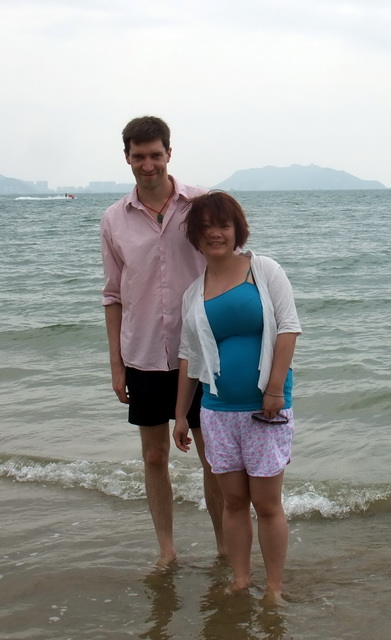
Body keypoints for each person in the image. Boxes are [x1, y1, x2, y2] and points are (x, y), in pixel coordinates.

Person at [101, 116, 224, 567]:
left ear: (169, 154)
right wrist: (116, 364)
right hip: (145, 354)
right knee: (154, 457)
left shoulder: (202, 204)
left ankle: (224, 549)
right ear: (128, 158)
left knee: (215, 460)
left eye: (155, 155)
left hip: (205, 354)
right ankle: (167, 552)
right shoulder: (114, 219)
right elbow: (113, 294)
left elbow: (229, 268)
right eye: (139, 156)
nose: (147, 164)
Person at [173, 191, 301, 601]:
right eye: (206, 227)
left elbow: (288, 328)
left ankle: (275, 588)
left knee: (267, 504)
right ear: (195, 235)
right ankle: (242, 579)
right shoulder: (193, 293)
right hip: (216, 411)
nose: (216, 233)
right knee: (232, 502)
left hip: (266, 410)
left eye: (224, 225)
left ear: (237, 230)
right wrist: (180, 416)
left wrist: (275, 389)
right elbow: (190, 359)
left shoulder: (263, 270)